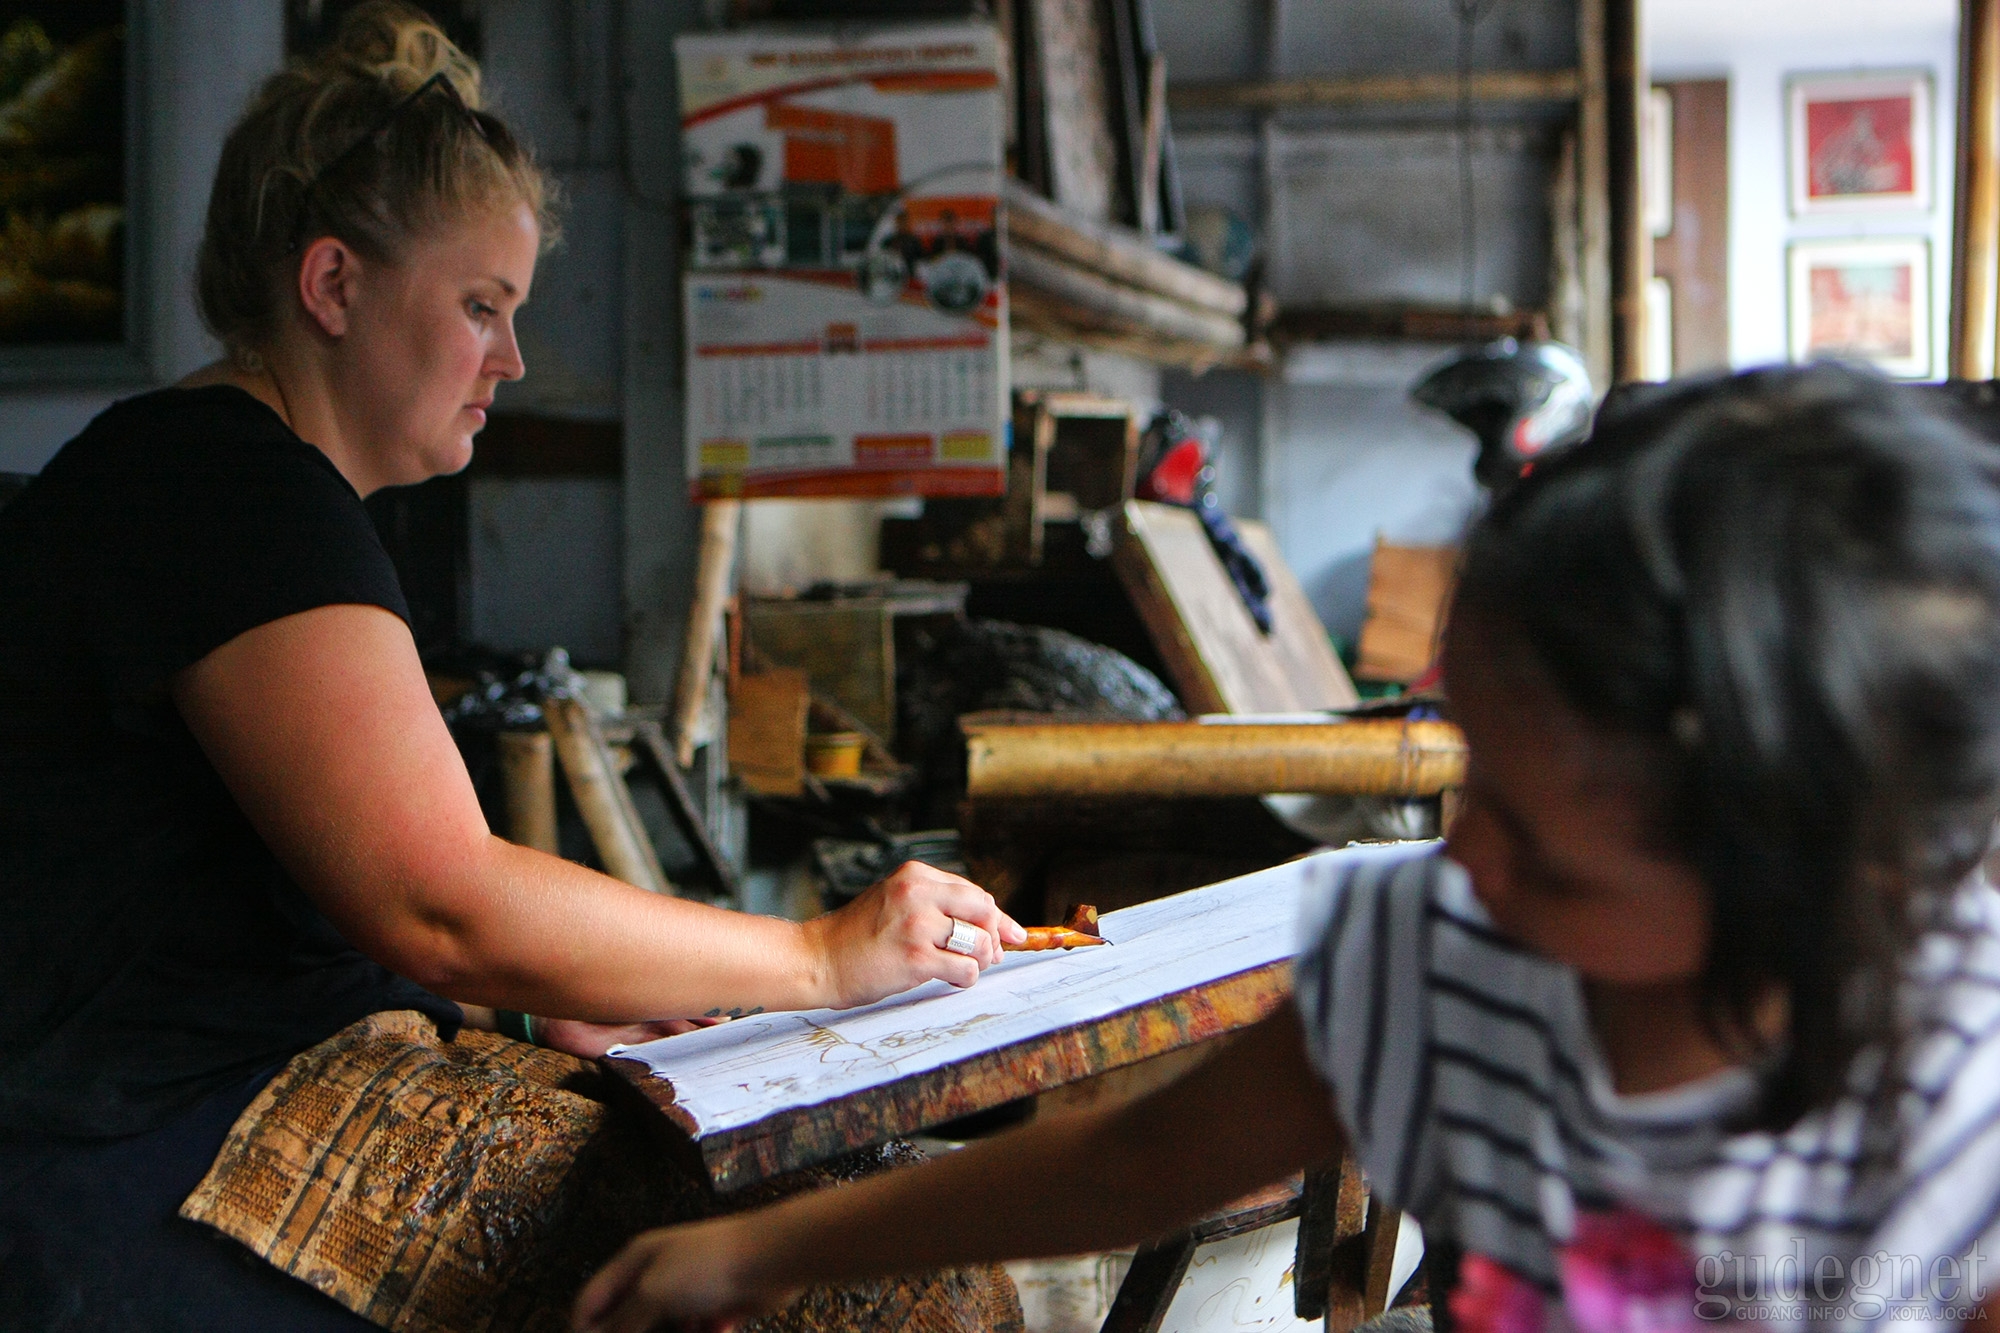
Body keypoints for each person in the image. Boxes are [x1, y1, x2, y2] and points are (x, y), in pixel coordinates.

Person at [573, 364, 2000, 1333]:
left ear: (1826, 887)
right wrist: (757, 1244)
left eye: (1555, 862)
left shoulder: (1960, 1096)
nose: (1468, 869)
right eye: (1473, 786)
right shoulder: (1438, 969)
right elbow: (1130, 1165)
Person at [0, 6, 1023, 1329]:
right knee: (848, 1286)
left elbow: (276, 895)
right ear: (333, 286)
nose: (514, 358)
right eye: (481, 306)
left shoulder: (247, 482)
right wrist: (819, 956)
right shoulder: (224, 490)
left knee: (843, 1232)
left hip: (236, 1083)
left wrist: (541, 1016)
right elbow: (439, 899)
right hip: (127, 1152)